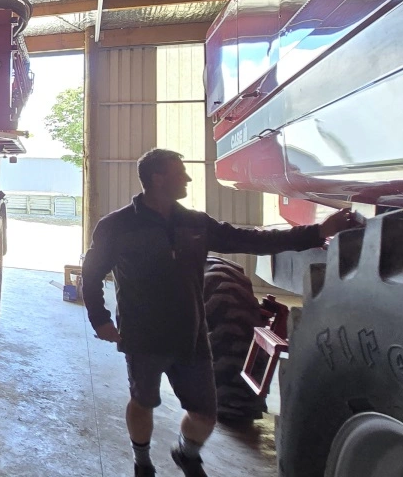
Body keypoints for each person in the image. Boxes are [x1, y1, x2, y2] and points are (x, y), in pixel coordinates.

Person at [81, 148, 359, 477]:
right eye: (179, 172)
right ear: (158, 179)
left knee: (205, 415)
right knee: (143, 402)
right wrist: (99, 318)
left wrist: (317, 233)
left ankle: (187, 452)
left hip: (191, 336)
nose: (187, 177)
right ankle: (142, 461)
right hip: (143, 337)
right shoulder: (117, 226)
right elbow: (92, 271)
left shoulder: (195, 223)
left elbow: (252, 240)